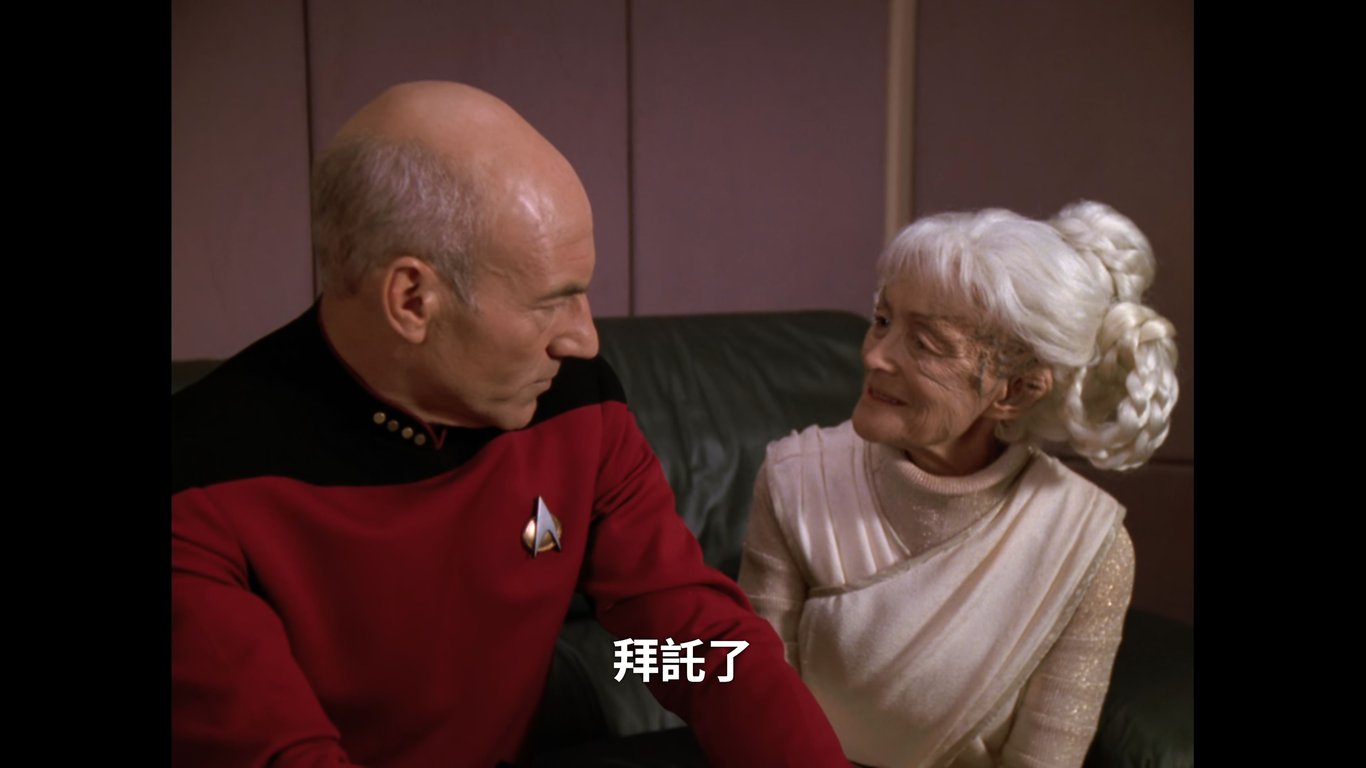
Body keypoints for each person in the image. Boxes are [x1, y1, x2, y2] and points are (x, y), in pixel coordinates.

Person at [171, 81, 848, 768]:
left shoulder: (580, 404)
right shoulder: (197, 477)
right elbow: (278, 754)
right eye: (553, 302)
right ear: (412, 299)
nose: (584, 340)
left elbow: (688, 641)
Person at [738, 202, 1179, 767]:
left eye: (924, 344)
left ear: (1015, 391)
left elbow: (1045, 757)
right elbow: (755, 704)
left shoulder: (1086, 543)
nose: (875, 355)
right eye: (882, 320)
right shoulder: (798, 478)